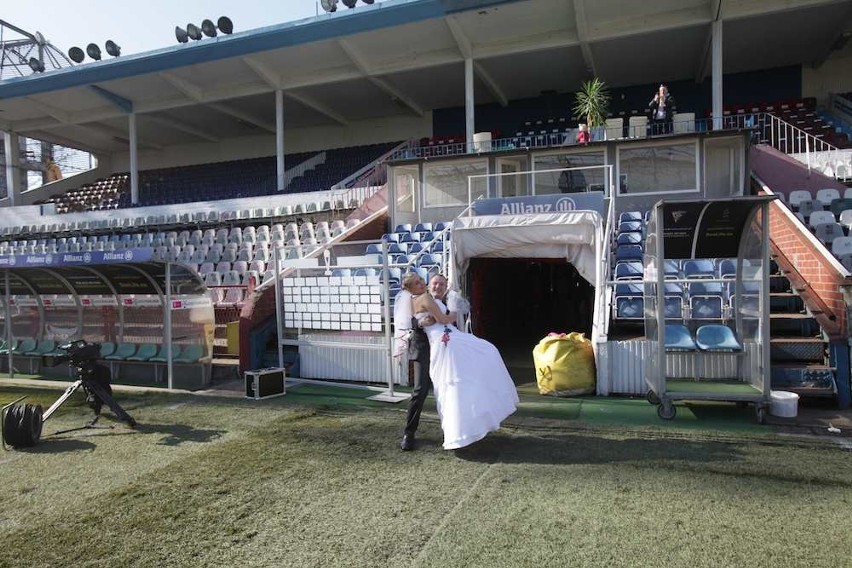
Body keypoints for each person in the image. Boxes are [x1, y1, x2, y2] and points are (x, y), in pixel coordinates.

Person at [404, 273, 519, 450]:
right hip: (426, 348)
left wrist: (443, 315)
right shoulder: (421, 298)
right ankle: (409, 433)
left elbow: (439, 319)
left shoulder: (438, 300)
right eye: (435, 283)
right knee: (421, 391)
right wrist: (450, 314)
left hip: (442, 343)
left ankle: (465, 424)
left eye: (442, 284)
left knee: (459, 382)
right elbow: (423, 320)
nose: (437, 287)